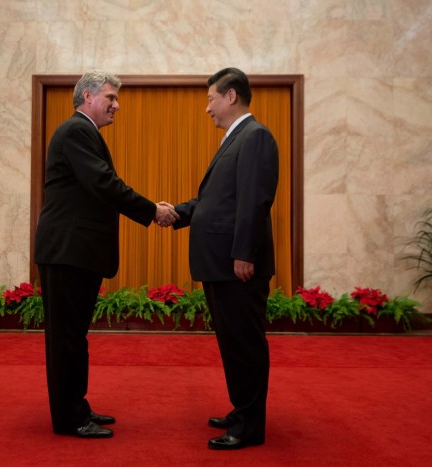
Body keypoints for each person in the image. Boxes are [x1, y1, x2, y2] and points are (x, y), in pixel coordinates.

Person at [34, 70, 179, 439]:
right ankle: (69, 419)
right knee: (66, 338)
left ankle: (77, 407)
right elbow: (103, 183)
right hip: (68, 251)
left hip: (75, 252)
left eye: (116, 98)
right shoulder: (77, 131)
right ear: (87, 97)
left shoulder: (83, 132)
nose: (117, 105)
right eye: (111, 98)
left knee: (75, 336)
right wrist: (152, 210)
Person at [172, 67, 279, 450]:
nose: (208, 109)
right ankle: (241, 411)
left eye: (210, 99)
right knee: (232, 343)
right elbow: (216, 202)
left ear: (230, 96)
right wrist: (179, 213)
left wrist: (243, 254)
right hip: (220, 264)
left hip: (237, 265)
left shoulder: (255, 137)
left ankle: (250, 426)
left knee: (245, 343)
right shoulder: (237, 139)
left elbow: (255, 201)